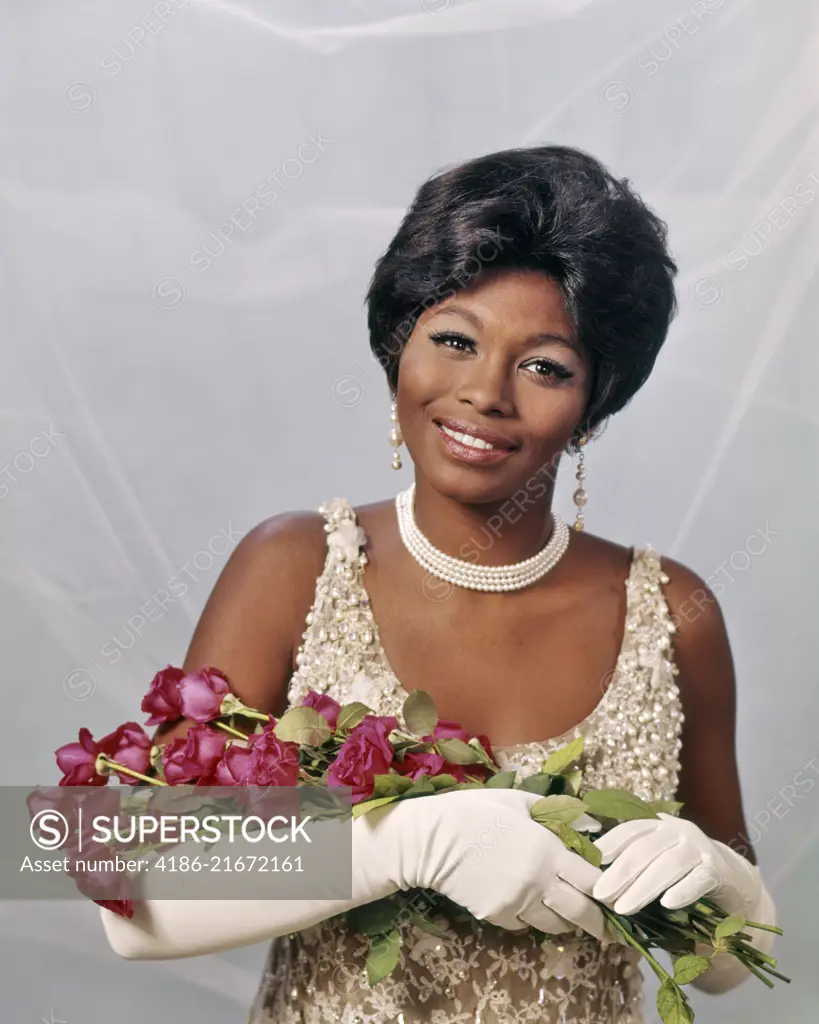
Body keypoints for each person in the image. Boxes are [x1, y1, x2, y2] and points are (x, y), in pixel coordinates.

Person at [100, 145, 777, 1023]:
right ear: (397, 351)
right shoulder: (295, 565)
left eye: (545, 367)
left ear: (593, 408)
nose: (485, 392)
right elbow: (128, 898)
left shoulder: (668, 610)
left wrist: (726, 886)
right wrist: (407, 843)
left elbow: (733, 965)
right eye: (452, 341)